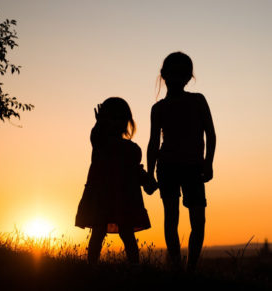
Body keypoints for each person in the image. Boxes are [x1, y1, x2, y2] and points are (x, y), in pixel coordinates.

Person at [147, 52, 216, 271]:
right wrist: (149, 174)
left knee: (198, 220)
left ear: (188, 77)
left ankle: (191, 268)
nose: (177, 78)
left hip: (193, 167)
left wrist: (208, 163)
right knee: (172, 218)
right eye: (173, 73)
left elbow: (210, 134)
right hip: (168, 168)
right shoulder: (158, 109)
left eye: (182, 74)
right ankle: (177, 267)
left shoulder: (198, 100)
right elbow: (153, 144)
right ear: (164, 75)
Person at [76, 97, 157, 264]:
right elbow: (96, 136)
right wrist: (99, 124)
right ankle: (93, 267)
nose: (114, 122)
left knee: (125, 233)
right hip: (105, 197)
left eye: (118, 118)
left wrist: (147, 180)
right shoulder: (101, 144)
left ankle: (132, 267)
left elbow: (135, 170)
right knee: (99, 231)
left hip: (122, 198)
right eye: (110, 118)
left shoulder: (131, 149)